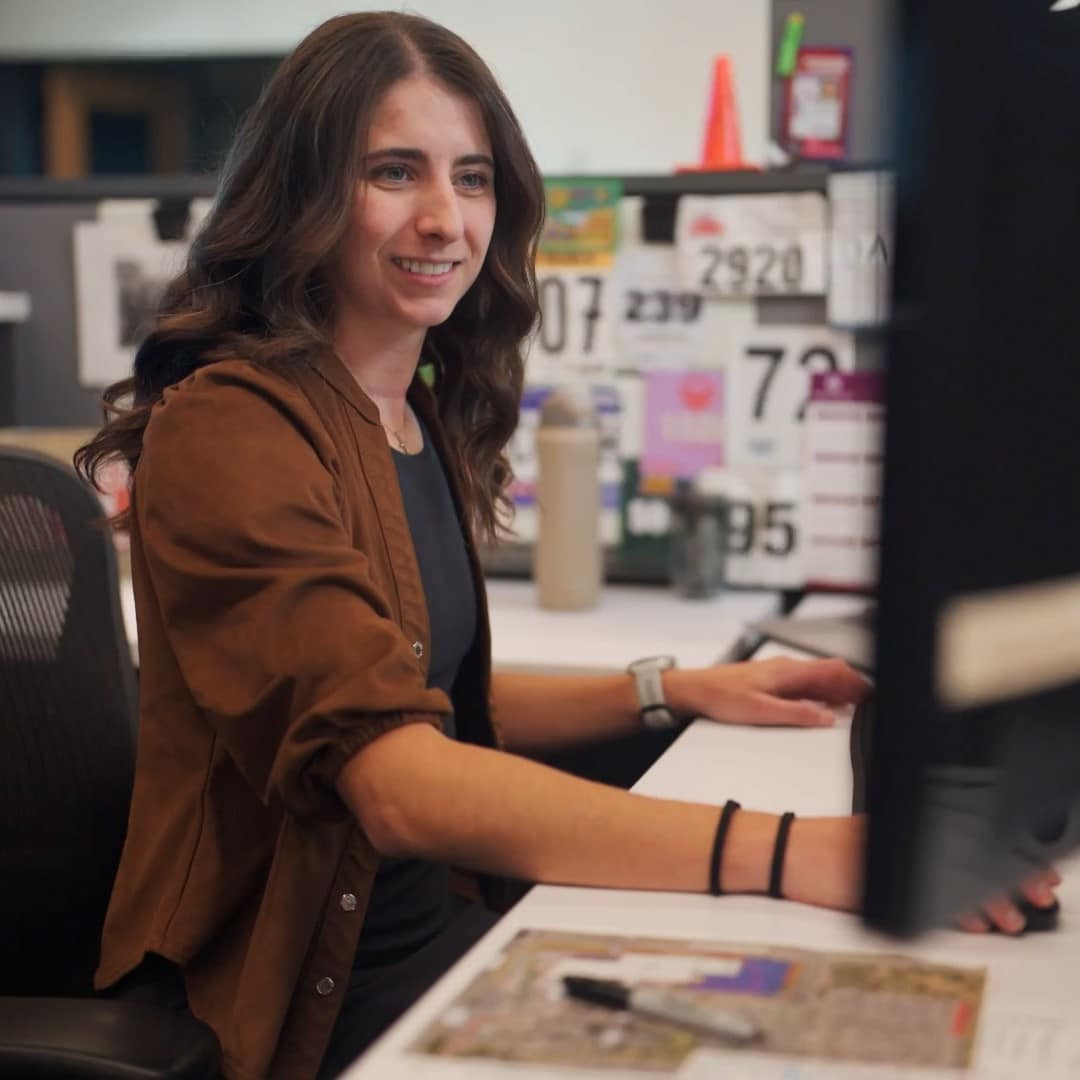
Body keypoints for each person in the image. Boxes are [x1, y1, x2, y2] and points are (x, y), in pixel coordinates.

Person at [75, 12, 1059, 1080]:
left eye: (473, 178)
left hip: (441, 942)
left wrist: (672, 690)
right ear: (304, 191)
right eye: (394, 172)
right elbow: (396, 779)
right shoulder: (234, 429)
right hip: (319, 1001)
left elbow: (423, 693)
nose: (445, 219)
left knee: (865, 1029)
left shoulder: (408, 413)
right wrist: (799, 852)